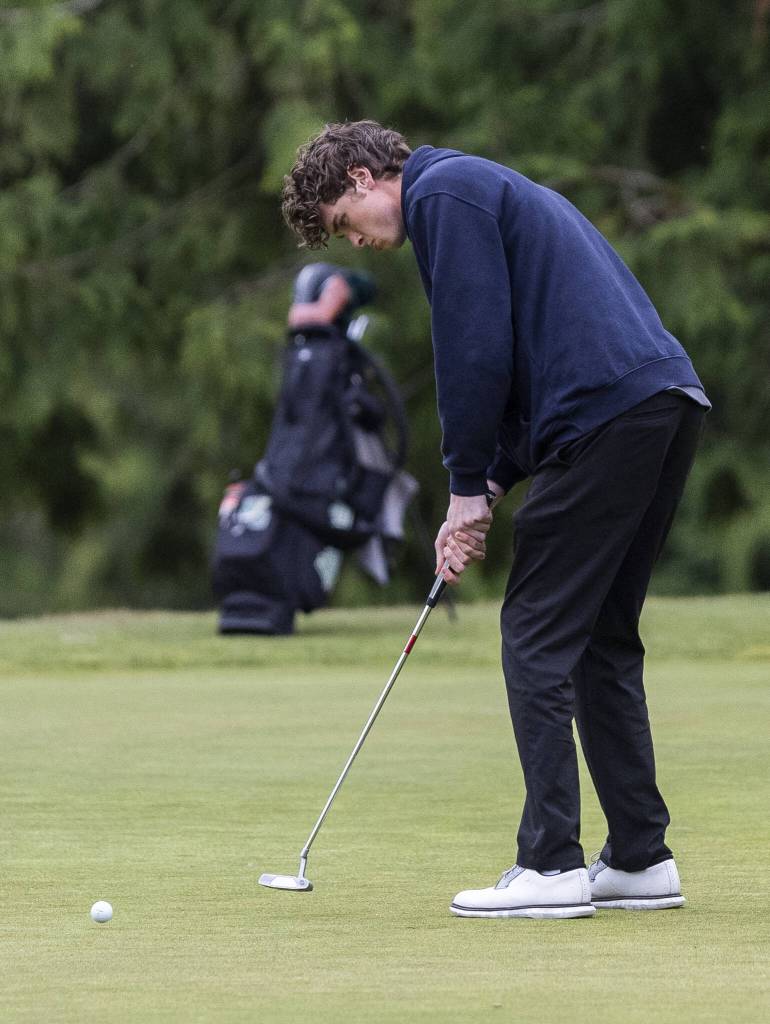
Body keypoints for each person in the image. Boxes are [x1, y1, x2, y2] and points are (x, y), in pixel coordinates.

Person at [281, 120, 709, 920]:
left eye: (346, 221)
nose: (361, 243)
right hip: (658, 406)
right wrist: (489, 483)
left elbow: (474, 351)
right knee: (599, 636)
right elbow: (519, 360)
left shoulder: (443, 193)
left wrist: (465, 486)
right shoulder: (475, 189)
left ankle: (550, 866)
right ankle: (641, 858)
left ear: (368, 177)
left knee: (536, 634)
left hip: (609, 417)